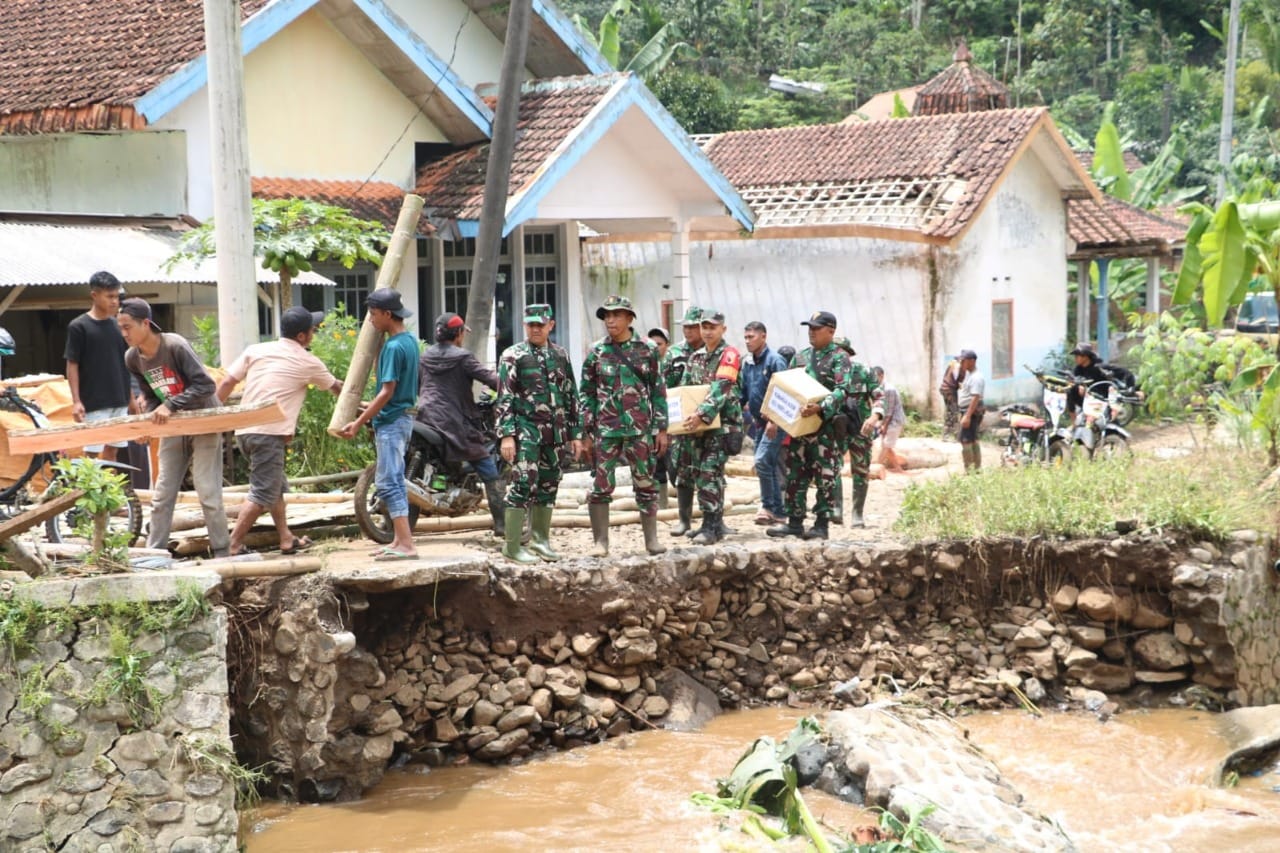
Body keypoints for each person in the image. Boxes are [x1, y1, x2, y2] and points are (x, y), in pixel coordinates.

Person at [216, 307, 343, 556]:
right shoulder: (308, 361)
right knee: (263, 492)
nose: (314, 334)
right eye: (312, 331)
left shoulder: (257, 350)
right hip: (268, 433)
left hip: (244, 431)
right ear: (302, 337)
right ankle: (233, 544)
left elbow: (228, 382)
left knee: (275, 486)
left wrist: (214, 416)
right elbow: (337, 388)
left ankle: (286, 537)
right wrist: (362, 407)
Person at [118, 298, 230, 557]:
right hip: (173, 425)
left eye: (128, 327)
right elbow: (150, 395)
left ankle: (223, 550)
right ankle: (153, 554)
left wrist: (171, 404)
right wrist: (150, 422)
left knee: (207, 490)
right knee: (162, 493)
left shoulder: (175, 345)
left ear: (145, 324)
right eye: (120, 328)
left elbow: (206, 385)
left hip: (203, 419)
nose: (124, 333)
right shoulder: (132, 358)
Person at [579, 295, 668, 557]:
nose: (610, 320)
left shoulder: (647, 349)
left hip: (639, 430)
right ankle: (601, 542)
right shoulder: (597, 351)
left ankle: (651, 540)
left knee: (645, 484)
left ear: (629, 318)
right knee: (600, 487)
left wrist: (661, 429)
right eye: (606, 315)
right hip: (606, 431)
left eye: (616, 315)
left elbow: (658, 391)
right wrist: (585, 431)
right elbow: (586, 393)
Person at [495, 304, 583, 563]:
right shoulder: (513, 355)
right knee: (522, 483)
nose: (535, 328)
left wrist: (576, 433)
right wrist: (507, 435)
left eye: (540, 324)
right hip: (526, 432)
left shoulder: (560, 355)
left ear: (550, 325)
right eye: (531, 324)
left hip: (554, 433)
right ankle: (512, 546)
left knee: (548, 483)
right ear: (525, 325)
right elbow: (504, 397)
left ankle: (540, 540)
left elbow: (571, 395)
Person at [337, 288, 420, 561]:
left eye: (373, 314)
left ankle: (406, 544)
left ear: (387, 314)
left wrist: (359, 421)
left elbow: (386, 392)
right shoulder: (407, 341)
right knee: (392, 479)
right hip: (403, 417)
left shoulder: (395, 347)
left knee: (389, 482)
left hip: (392, 421)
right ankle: (398, 540)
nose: (370, 320)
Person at [767, 311, 853, 541]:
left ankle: (821, 524)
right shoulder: (801, 356)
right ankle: (794, 523)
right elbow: (786, 387)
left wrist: (821, 407)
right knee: (795, 475)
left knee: (825, 476)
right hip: (800, 428)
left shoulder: (839, 358)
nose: (811, 332)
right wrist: (773, 419)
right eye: (810, 328)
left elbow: (842, 390)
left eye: (816, 328)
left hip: (824, 429)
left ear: (831, 331)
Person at [417, 312, 505, 536]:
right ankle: (502, 525)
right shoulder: (463, 357)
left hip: (426, 417)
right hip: (454, 422)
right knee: (487, 465)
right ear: (458, 334)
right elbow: (491, 379)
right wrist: (511, 388)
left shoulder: (426, 356)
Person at [680, 309, 744, 545]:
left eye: (712, 327)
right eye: (704, 327)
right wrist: (682, 419)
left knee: (709, 473)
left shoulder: (730, 355)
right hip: (698, 427)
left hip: (722, 427)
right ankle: (713, 523)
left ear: (723, 329)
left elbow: (721, 389)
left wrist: (700, 414)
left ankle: (710, 526)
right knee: (701, 473)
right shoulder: (696, 357)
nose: (707, 331)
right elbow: (685, 390)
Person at [65, 271, 133, 462]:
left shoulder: (118, 326)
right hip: (93, 402)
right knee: (92, 453)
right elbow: (72, 364)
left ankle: (109, 490)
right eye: (109, 296)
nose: (114, 301)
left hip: (119, 400)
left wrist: (131, 398)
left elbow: (123, 364)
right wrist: (76, 401)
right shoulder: (79, 326)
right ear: (94, 295)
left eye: (116, 296)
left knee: (113, 451)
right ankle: (90, 490)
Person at [740, 320, 788, 525]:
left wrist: (774, 420)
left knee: (761, 461)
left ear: (763, 336)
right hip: (759, 422)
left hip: (774, 423)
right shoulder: (748, 362)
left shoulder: (775, 360)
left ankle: (768, 506)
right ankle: (777, 511)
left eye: (752, 337)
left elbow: (784, 393)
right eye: (746, 337)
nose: (748, 341)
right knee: (765, 464)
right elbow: (744, 392)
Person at [831, 335, 880, 528]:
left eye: (841, 351)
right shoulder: (826, 373)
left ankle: (857, 513)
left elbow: (879, 396)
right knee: (833, 466)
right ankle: (836, 509)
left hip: (861, 427)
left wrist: (875, 416)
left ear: (848, 353)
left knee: (861, 469)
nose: (838, 354)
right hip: (836, 426)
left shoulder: (863, 371)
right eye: (834, 351)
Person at [664, 306, 704, 534]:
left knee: (712, 471)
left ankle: (714, 519)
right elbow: (664, 385)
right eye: (685, 327)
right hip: (680, 419)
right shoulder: (674, 353)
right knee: (681, 470)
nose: (688, 331)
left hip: (708, 418)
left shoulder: (714, 351)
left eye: (693, 327)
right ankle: (684, 520)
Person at [647, 326, 672, 506]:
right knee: (656, 464)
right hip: (649, 422)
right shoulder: (644, 364)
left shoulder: (674, 364)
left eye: (659, 344)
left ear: (667, 345)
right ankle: (661, 504)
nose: (655, 347)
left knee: (675, 464)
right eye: (652, 344)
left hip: (673, 421)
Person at [869, 366, 906, 474]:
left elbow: (889, 411)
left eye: (876, 377)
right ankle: (898, 469)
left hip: (894, 421)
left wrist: (884, 426)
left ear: (881, 376)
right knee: (887, 446)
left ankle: (875, 468)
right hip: (887, 420)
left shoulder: (889, 389)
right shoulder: (878, 388)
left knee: (885, 446)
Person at [956, 349, 984, 471]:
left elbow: (975, 397)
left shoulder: (976, 377)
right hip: (968, 410)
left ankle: (970, 471)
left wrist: (967, 416)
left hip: (970, 412)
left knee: (966, 441)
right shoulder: (969, 374)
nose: (961, 363)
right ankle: (976, 469)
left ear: (971, 361)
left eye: (963, 361)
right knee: (972, 440)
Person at [1066, 343, 1109, 415]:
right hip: (1086, 397)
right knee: (1070, 391)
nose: (1075, 358)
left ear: (1085, 356)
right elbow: (1074, 379)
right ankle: (1074, 423)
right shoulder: (1078, 369)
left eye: (1077, 356)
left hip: (1100, 397)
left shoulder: (1098, 367)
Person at [938, 355, 967, 441]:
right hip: (950, 391)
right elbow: (958, 379)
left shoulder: (951, 365)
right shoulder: (957, 366)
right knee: (954, 412)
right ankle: (956, 436)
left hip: (945, 390)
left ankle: (945, 435)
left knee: (949, 412)